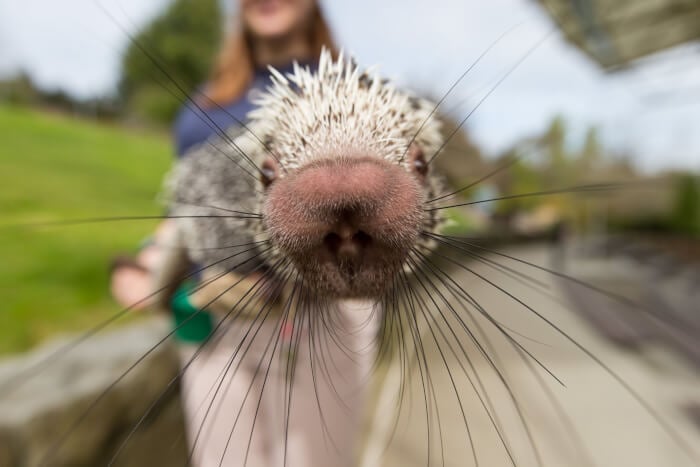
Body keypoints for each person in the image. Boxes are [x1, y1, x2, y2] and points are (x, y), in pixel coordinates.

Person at [110, 1, 378, 466]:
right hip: (214, 319)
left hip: (317, 320)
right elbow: (186, 208)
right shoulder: (204, 103)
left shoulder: (352, 93)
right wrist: (147, 262)